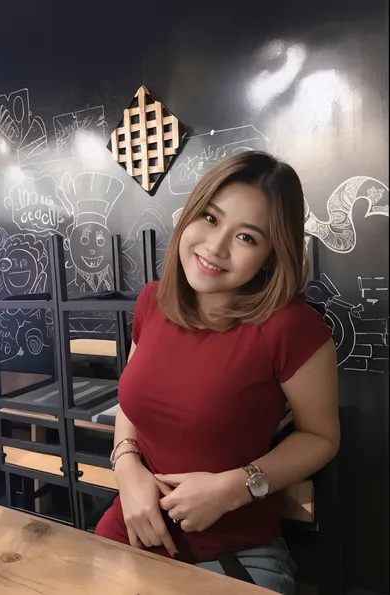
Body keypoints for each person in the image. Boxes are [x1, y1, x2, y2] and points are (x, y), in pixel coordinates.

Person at [95, 151, 340, 594]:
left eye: (246, 237)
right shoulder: (152, 302)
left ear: (270, 254)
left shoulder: (291, 327)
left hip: (234, 551)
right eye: (210, 218)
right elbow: (131, 402)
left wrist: (235, 488)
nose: (215, 246)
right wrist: (126, 466)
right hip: (134, 525)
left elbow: (321, 437)